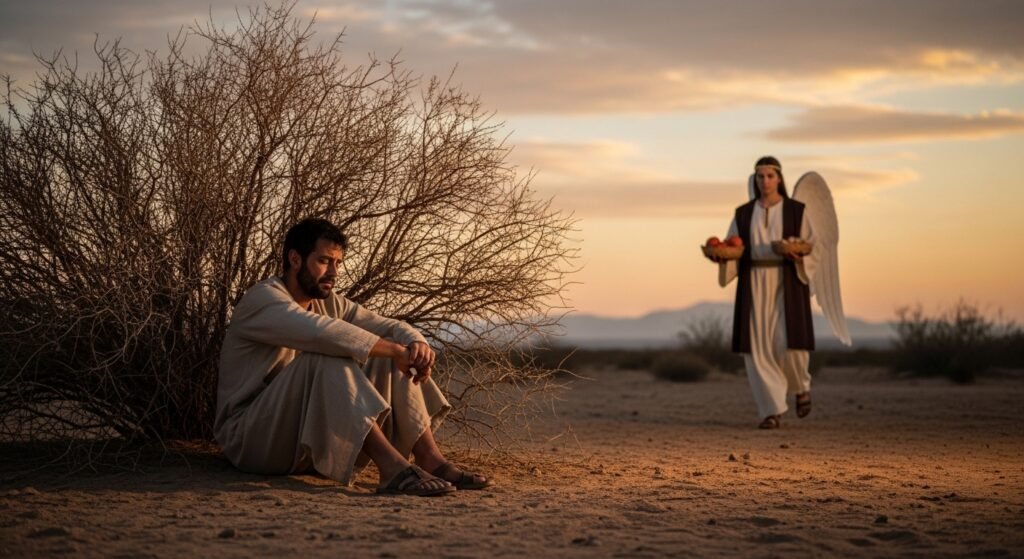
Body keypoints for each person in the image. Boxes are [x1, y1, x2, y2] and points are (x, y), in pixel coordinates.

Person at [214, 218, 492, 495]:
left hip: (302, 441)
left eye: (338, 263)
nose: (333, 272)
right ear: (295, 259)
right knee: (327, 354)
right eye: (324, 261)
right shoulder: (263, 300)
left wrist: (413, 343)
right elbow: (322, 334)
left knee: (386, 349)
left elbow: (386, 325)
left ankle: (431, 459)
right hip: (252, 441)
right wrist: (396, 351)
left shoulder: (329, 302)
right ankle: (392, 468)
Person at [711, 156, 816, 429]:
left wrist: (798, 252)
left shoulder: (796, 210)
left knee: (788, 343)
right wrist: (723, 256)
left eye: (770, 176)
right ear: (754, 180)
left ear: (779, 178)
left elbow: (811, 244)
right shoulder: (743, 213)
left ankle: (801, 387)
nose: (765, 181)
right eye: (760, 176)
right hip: (754, 281)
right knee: (757, 348)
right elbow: (733, 245)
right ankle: (771, 411)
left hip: (787, 281)